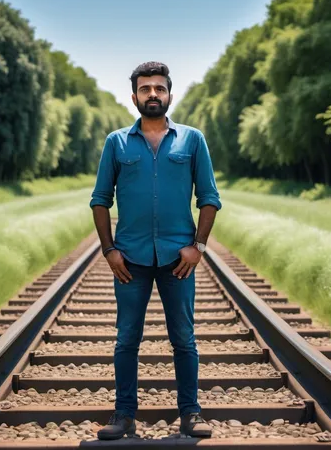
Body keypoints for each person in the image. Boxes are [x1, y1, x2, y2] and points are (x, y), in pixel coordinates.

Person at [89, 61, 222, 440]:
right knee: (126, 338)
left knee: (184, 337)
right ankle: (124, 416)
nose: (152, 94)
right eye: (145, 89)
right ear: (134, 97)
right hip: (129, 259)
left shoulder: (192, 140)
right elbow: (100, 200)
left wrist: (197, 247)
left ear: (169, 95)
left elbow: (209, 199)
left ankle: (190, 413)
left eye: (158, 89)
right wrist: (109, 250)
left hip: (177, 259)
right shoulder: (116, 142)